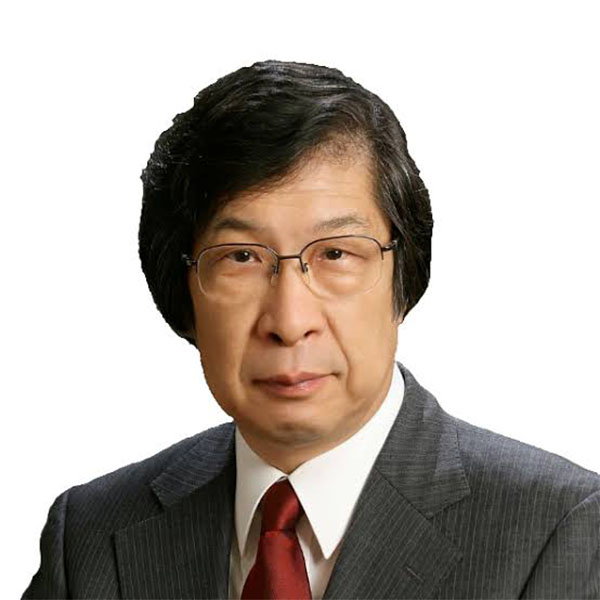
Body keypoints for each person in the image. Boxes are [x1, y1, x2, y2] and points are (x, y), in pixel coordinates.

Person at [24, 60, 599, 600]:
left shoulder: (560, 528)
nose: (290, 321)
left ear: (404, 278)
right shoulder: (91, 535)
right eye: (241, 257)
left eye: (336, 254)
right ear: (183, 292)